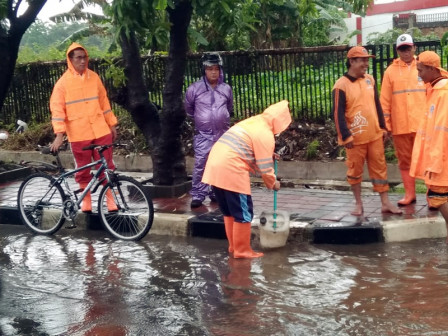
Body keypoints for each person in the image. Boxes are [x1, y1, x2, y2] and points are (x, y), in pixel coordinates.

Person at [202, 100, 291, 258]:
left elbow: (247, 147)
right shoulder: (265, 134)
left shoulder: (253, 122)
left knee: (229, 212)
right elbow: (265, 168)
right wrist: (273, 183)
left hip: (215, 166)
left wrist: (268, 155)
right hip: (232, 169)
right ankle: (242, 250)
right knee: (244, 213)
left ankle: (233, 247)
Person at [332, 46, 402, 217]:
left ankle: (385, 203)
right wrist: (345, 136)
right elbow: (337, 114)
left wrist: (383, 126)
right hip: (355, 139)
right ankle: (358, 204)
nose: (366, 63)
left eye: (367, 60)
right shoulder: (341, 85)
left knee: (380, 169)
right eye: (362, 60)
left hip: (374, 135)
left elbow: (376, 105)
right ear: (352, 61)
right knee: (355, 171)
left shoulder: (369, 79)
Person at [49, 42, 118, 213]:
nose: (82, 61)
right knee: (83, 168)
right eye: (78, 58)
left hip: (101, 130)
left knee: (107, 167)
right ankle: (86, 201)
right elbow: (57, 110)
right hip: (79, 134)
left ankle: (111, 200)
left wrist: (112, 124)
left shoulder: (94, 77)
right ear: (70, 60)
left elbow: (104, 102)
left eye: (84, 57)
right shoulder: (62, 84)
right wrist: (59, 134)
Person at [380, 34, 426, 206]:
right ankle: (410, 195)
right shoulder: (390, 71)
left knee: (428, 160)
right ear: (397, 50)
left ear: (414, 48)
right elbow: (384, 100)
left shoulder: (423, 67)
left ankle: (433, 196)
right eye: (402, 49)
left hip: (423, 125)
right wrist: (386, 126)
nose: (405, 52)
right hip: (401, 126)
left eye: (408, 48)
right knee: (405, 161)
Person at [184, 53, 233, 208]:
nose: (213, 72)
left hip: (222, 135)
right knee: (201, 164)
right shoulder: (194, 89)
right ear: (204, 70)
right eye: (210, 69)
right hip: (203, 135)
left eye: (216, 69)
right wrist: (203, 119)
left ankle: (216, 192)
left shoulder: (226, 89)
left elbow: (229, 108)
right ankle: (198, 194)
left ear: (220, 70)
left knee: (220, 164)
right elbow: (189, 109)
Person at [410, 51, 448, 237]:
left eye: (421, 70)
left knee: (437, 196)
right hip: (438, 157)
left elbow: (442, 132)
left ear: (432, 69)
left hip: (441, 159)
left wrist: (435, 161)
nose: (419, 75)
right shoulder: (435, 88)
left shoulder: (443, 93)